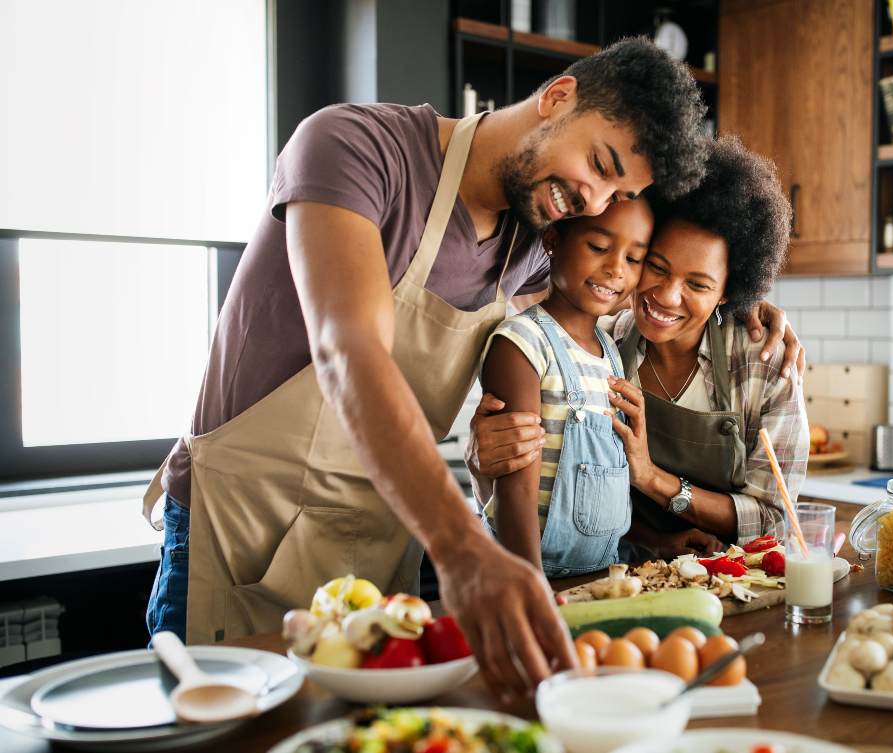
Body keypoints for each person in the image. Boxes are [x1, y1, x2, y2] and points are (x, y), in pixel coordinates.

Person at [142, 36, 710, 701]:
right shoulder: (353, 148)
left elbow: (604, 318)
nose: (593, 200)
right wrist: (464, 546)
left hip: (374, 548)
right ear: (558, 98)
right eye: (599, 163)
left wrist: (743, 324)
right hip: (244, 529)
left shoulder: (530, 246)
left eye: (619, 190)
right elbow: (348, 352)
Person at [471, 137, 810, 562]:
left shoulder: (764, 364)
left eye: (698, 285)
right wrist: (485, 450)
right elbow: (538, 482)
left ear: (729, 293)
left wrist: (653, 479)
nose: (667, 296)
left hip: (733, 578)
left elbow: (775, 516)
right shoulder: (604, 341)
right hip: (621, 573)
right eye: (656, 265)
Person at [480, 199, 652, 576]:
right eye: (599, 247)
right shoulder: (521, 343)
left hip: (600, 575)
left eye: (634, 258)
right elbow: (517, 487)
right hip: (524, 574)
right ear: (552, 239)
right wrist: (531, 586)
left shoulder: (610, 353)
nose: (615, 269)